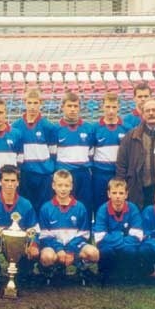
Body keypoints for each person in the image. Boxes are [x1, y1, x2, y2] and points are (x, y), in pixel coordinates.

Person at [0, 165, 40, 284]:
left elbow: (34, 230)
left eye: (13, 180)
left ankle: (24, 270)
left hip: (19, 245)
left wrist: (34, 245)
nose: (9, 184)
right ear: (0, 182)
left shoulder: (26, 204)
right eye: (6, 180)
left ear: (18, 183)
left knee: (23, 276)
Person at [39, 170, 100, 283]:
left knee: (94, 253)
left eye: (66, 185)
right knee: (47, 256)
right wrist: (59, 249)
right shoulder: (46, 208)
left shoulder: (80, 207)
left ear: (71, 186)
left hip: (75, 249)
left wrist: (71, 250)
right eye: (60, 185)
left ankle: (82, 268)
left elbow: (84, 234)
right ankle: (52, 269)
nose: (63, 189)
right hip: (55, 249)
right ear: (53, 186)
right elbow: (45, 236)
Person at [12, 88, 56, 213]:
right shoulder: (16, 127)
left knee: (43, 207)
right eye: (29, 103)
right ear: (25, 103)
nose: (32, 106)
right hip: (25, 173)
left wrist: (49, 168)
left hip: (44, 174)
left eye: (35, 103)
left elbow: (53, 152)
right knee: (25, 207)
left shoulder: (48, 126)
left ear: (41, 104)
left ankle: (43, 231)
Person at [92, 178, 143, 284]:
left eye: (121, 193)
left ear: (126, 194)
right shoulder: (102, 209)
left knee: (130, 250)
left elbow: (138, 236)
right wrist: (122, 237)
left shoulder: (132, 208)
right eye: (114, 193)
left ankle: (126, 274)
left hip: (123, 245)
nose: (118, 196)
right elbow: (99, 238)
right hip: (111, 246)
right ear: (108, 194)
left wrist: (113, 237)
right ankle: (105, 274)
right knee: (106, 251)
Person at [54, 91, 94, 223]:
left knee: (85, 205)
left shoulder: (88, 128)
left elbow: (91, 153)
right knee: (63, 205)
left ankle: (86, 236)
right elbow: (53, 154)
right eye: (69, 106)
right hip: (64, 174)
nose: (72, 109)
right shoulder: (56, 129)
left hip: (83, 173)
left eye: (75, 106)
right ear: (62, 107)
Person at [91, 92, 130, 215]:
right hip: (100, 174)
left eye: (113, 107)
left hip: (119, 174)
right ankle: (99, 231)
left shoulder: (127, 128)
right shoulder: (95, 128)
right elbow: (90, 153)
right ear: (102, 107)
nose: (111, 111)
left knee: (120, 204)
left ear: (119, 107)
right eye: (108, 107)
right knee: (99, 204)